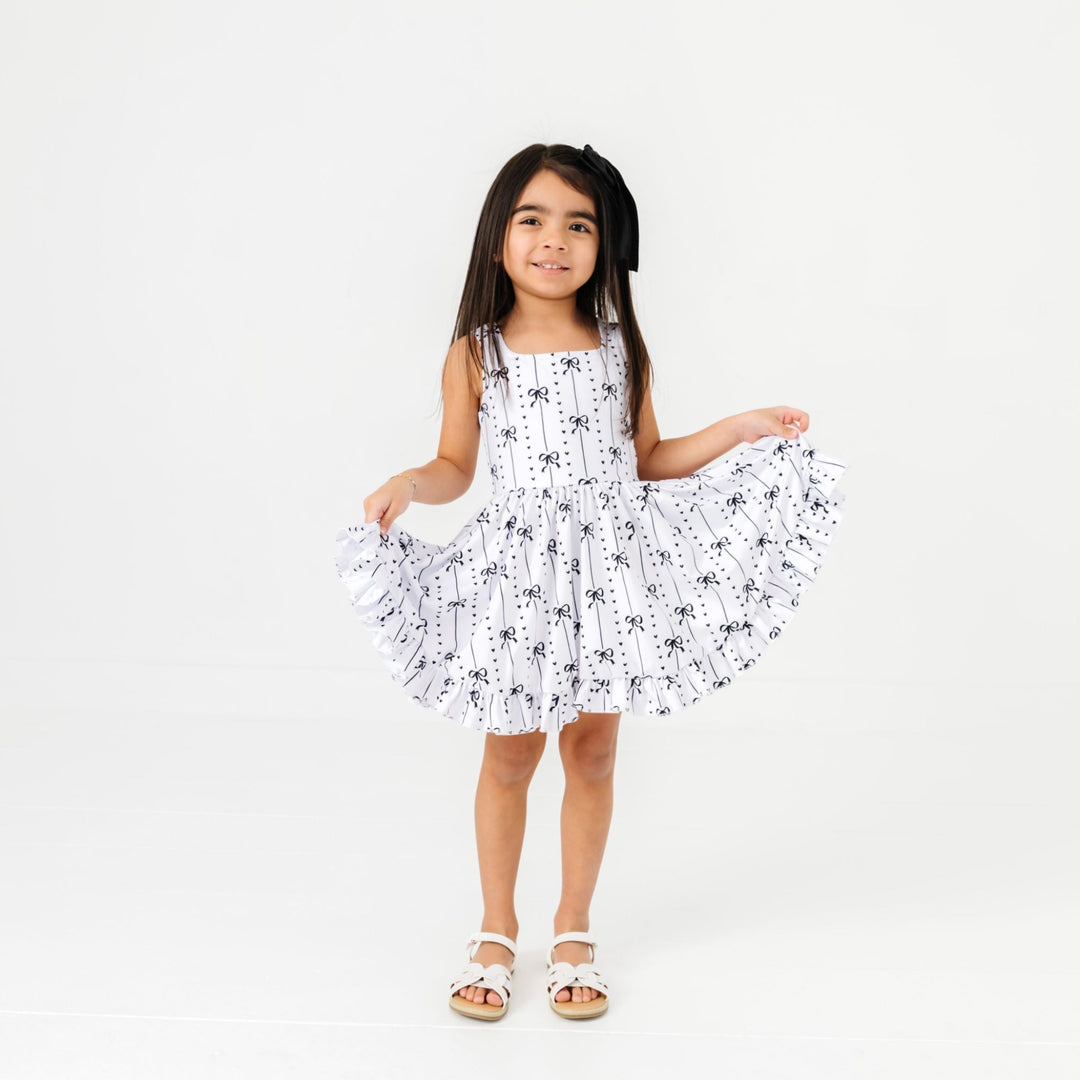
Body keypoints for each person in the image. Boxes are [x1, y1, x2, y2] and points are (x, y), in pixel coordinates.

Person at [333, 143, 848, 1021]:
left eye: (580, 224)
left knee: (594, 751)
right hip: (518, 573)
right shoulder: (476, 352)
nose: (554, 240)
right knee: (510, 751)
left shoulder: (619, 348)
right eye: (533, 219)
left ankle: (574, 929)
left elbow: (649, 459)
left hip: (610, 572)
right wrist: (409, 487)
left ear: (605, 246)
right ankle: (497, 930)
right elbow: (457, 465)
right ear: (498, 233)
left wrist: (740, 427)